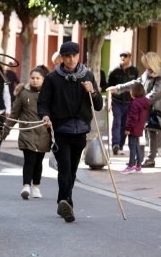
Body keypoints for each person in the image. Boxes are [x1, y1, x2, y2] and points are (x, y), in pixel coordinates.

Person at [38, 41, 103, 223]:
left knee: (72, 169)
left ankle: (65, 200)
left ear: (78, 56)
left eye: (74, 55)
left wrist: (93, 92)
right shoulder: (52, 78)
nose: (72, 59)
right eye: (68, 56)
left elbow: (98, 106)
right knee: (65, 167)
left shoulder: (88, 75)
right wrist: (45, 116)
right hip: (61, 129)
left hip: (81, 130)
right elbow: (43, 103)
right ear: (62, 58)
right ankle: (65, 201)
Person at [107, 52, 161, 168]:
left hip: (154, 110)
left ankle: (150, 160)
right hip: (144, 107)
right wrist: (118, 88)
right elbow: (136, 83)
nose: (145, 66)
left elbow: (154, 94)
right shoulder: (148, 72)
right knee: (140, 134)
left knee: (151, 134)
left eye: (146, 63)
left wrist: (137, 102)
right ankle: (137, 159)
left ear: (152, 63)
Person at [2, 65, 51, 199]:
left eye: (38, 78)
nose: (35, 80)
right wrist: (4, 133)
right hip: (27, 132)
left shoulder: (49, 93)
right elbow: (14, 115)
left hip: (43, 133)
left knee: (39, 161)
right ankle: (26, 186)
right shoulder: (23, 93)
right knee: (29, 159)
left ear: (43, 79)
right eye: (33, 78)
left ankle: (36, 186)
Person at [107, 50, 139, 155]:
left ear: (129, 57)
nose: (122, 58)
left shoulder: (134, 71)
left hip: (129, 102)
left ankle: (120, 145)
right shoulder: (114, 71)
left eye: (125, 56)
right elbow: (109, 87)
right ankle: (115, 144)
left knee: (125, 125)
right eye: (121, 55)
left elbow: (136, 86)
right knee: (117, 122)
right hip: (116, 101)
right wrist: (109, 103)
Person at [120, 83, 150, 174]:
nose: (130, 92)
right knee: (137, 146)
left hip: (133, 128)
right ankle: (138, 166)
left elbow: (132, 117)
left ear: (134, 92)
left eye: (131, 90)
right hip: (139, 127)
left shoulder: (135, 103)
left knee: (132, 146)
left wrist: (128, 128)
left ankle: (131, 166)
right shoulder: (144, 102)